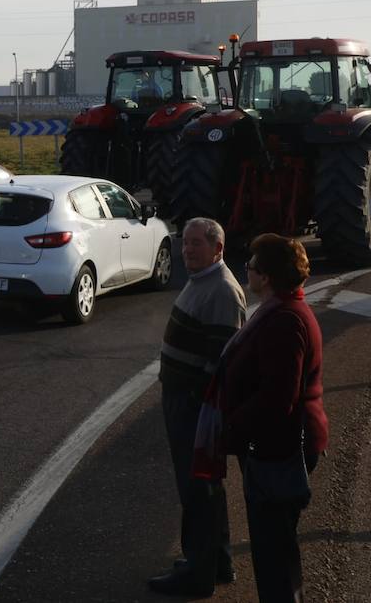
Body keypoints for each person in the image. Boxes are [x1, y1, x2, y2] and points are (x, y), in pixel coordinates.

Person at [223, 234, 328, 602]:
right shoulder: (281, 310)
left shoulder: (285, 321)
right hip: (275, 443)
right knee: (273, 546)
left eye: (250, 266)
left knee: (274, 550)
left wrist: (232, 422)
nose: (246, 271)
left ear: (265, 277)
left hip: (278, 448)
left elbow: (277, 397)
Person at [148, 218, 246, 597]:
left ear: (218, 249)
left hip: (194, 408)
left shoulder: (221, 291)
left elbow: (220, 361)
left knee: (197, 490)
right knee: (204, 487)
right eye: (185, 242)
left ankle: (198, 573)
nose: (186, 249)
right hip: (185, 402)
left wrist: (193, 403)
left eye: (196, 244)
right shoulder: (201, 279)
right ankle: (216, 561)